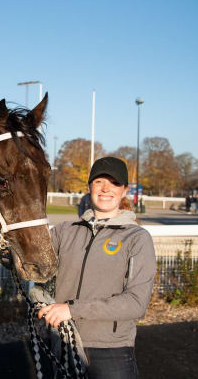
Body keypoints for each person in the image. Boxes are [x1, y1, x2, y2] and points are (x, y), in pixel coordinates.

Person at [38, 157, 156, 378]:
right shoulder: (65, 231)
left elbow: (136, 303)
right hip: (65, 344)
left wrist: (72, 309)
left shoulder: (137, 238)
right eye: (100, 181)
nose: (106, 189)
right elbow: (24, 258)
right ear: (89, 186)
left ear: (124, 191)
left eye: (114, 183)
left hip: (112, 351)